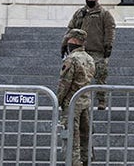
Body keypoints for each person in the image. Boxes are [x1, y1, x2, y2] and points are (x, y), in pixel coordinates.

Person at [66, 0, 115, 110]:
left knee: (100, 76)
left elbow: (110, 30)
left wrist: (108, 46)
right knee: (80, 77)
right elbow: (71, 29)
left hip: (97, 50)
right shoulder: (79, 13)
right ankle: (80, 100)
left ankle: (101, 100)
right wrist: (66, 44)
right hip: (81, 51)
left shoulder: (104, 14)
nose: (89, 0)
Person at [57, 28, 96, 166]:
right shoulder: (89, 58)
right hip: (85, 100)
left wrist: (58, 100)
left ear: (73, 40)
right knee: (85, 136)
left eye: (69, 39)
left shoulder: (72, 59)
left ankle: (74, 163)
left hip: (72, 102)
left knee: (72, 137)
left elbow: (65, 83)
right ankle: (86, 160)